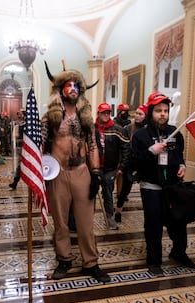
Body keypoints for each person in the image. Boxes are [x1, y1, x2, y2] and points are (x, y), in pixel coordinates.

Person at [42, 61, 110, 283]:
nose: (72, 89)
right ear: (61, 89)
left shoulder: (86, 118)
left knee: (85, 223)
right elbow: (39, 145)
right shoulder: (50, 117)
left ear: (80, 90)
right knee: (60, 222)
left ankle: (90, 262)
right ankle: (64, 259)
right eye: (68, 85)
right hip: (57, 173)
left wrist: (96, 173)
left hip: (82, 172)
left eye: (76, 86)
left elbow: (92, 146)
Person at [131, 91, 195, 276]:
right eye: (158, 110)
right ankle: (154, 261)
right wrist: (151, 151)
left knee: (178, 221)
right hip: (151, 187)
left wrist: (182, 165)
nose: (163, 114)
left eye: (166, 110)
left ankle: (179, 253)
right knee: (154, 224)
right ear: (151, 112)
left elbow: (179, 155)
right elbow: (134, 162)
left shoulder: (175, 133)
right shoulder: (141, 136)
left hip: (173, 187)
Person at [95, 102, 130, 230]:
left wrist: (121, 167)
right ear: (98, 113)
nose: (105, 115)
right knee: (91, 193)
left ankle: (109, 218)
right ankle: (87, 219)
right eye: (103, 112)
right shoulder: (93, 129)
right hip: (95, 168)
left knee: (108, 193)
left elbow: (126, 148)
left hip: (110, 169)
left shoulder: (117, 129)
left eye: (108, 113)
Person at [115, 104, 147, 222]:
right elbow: (124, 147)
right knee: (125, 190)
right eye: (136, 113)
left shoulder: (148, 129)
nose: (137, 116)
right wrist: (122, 163)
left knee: (146, 190)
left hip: (143, 163)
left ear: (146, 116)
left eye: (140, 114)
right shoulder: (129, 128)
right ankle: (118, 212)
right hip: (130, 163)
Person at [8, 108, 25, 190]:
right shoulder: (18, 125)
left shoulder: (28, 125)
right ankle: (15, 183)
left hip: (26, 148)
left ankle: (15, 183)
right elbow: (15, 137)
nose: (19, 115)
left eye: (21, 114)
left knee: (21, 166)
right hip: (20, 147)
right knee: (20, 166)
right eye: (18, 114)